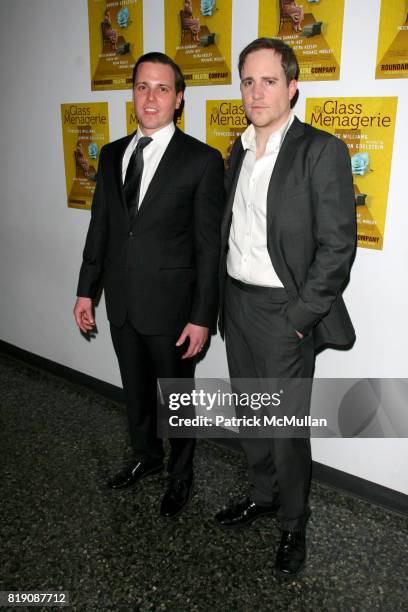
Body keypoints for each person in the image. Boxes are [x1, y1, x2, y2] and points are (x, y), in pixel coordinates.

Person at [215, 38, 356, 576]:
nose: (256, 92)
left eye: (269, 81)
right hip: (238, 304)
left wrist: (301, 317)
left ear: (293, 86)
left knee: (285, 428)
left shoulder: (321, 150)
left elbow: (338, 246)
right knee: (250, 417)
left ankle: (293, 524)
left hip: (284, 314)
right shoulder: (237, 149)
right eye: (248, 81)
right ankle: (262, 494)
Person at [74, 52, 224, 518]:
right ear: (132, 93)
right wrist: (86, 289)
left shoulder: (202, 161)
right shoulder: (112, 153)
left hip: (173, 311)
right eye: (142, 86)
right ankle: (146, 456)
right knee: (136, 392)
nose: (151, 97)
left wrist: (202, 317)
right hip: (122, 304)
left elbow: (208, 249)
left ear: (179, 98)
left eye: (162, 88)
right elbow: (101, 227)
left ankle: (181, 475)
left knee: (175, 401)